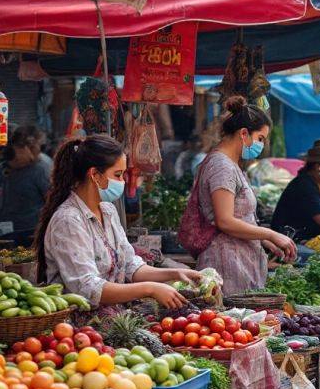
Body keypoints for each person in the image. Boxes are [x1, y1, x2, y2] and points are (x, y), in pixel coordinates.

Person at [35, 135, 201, 318]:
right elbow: (87, 288)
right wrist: (150, 289)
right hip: (77, 331)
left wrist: (176, 273)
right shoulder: (68, 221)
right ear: (94, 175)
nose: (122, 181)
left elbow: (131, 266)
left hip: (113, 320)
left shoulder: (108, 211)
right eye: (117, 175)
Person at [183, 97, 296, 294]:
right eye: (260, 138)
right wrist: (270, 233)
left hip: (238, 262)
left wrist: (262, 240)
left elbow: (238, 217)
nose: (261, 145)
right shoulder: (222, 166)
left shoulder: (231, 164)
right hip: (226, 264)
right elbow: (225, 221)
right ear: (244, 133)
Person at [0, 126, 51, 245]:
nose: (15, 164)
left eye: (17, 160)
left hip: (31, 233)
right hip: (3, 231)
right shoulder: (0, 169)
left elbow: (52, 200)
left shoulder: (41, 169)